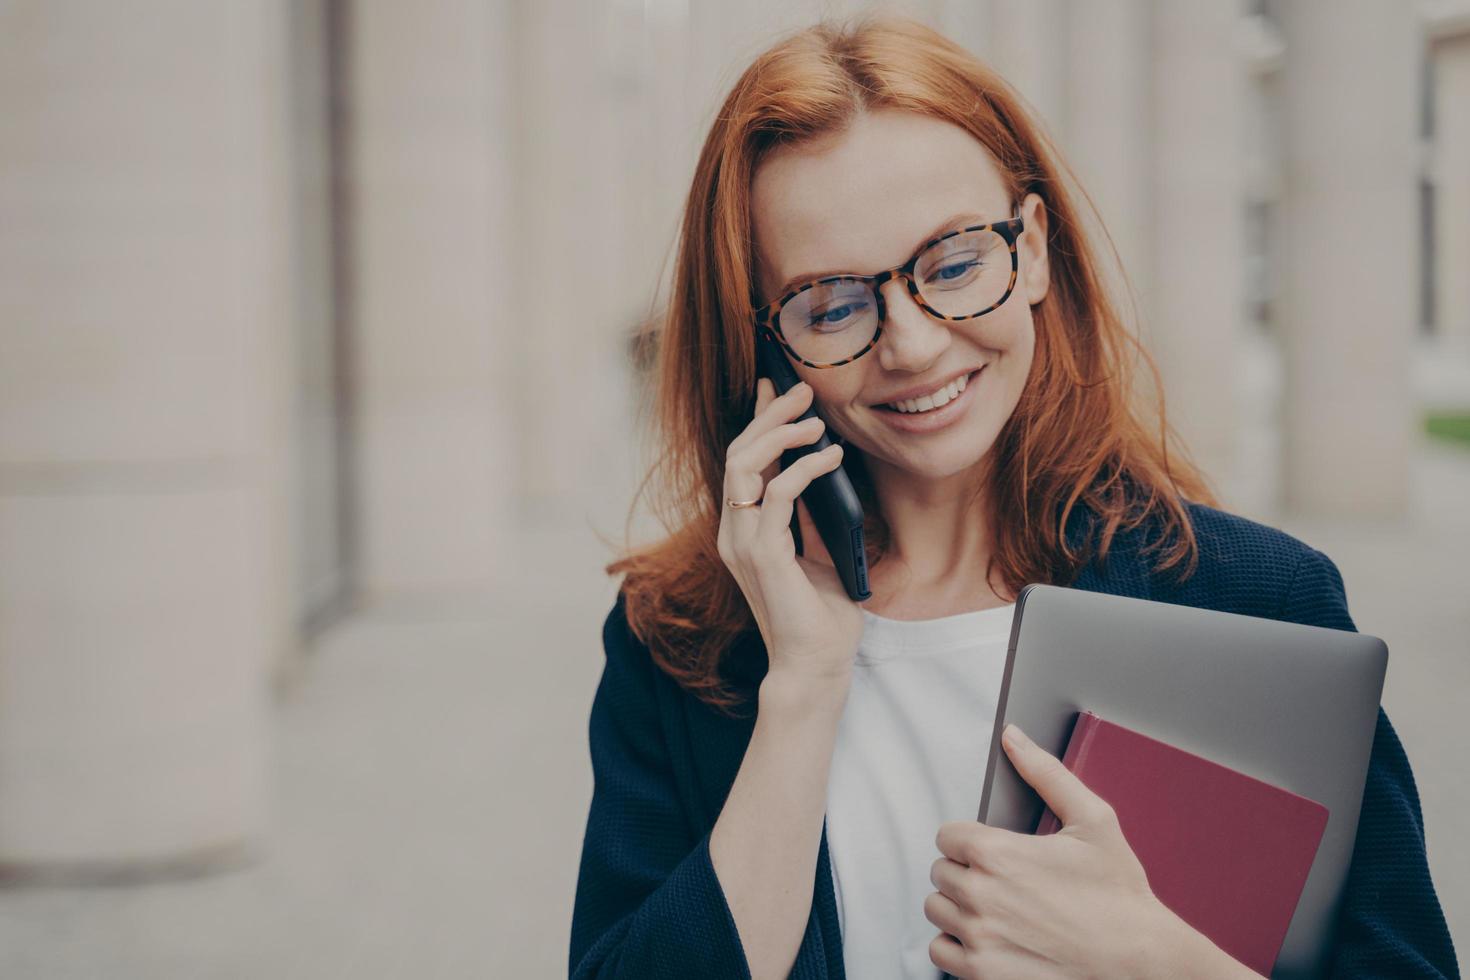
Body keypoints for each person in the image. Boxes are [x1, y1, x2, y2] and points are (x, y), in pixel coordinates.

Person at [569, 16, 1458, 980]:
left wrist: (1152, 960)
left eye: (953, 265)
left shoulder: (1258, 599)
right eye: (831, 304)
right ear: (768, 343)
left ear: (1031, 249)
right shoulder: (680, 639)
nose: (911, 347)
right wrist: (804, 691)